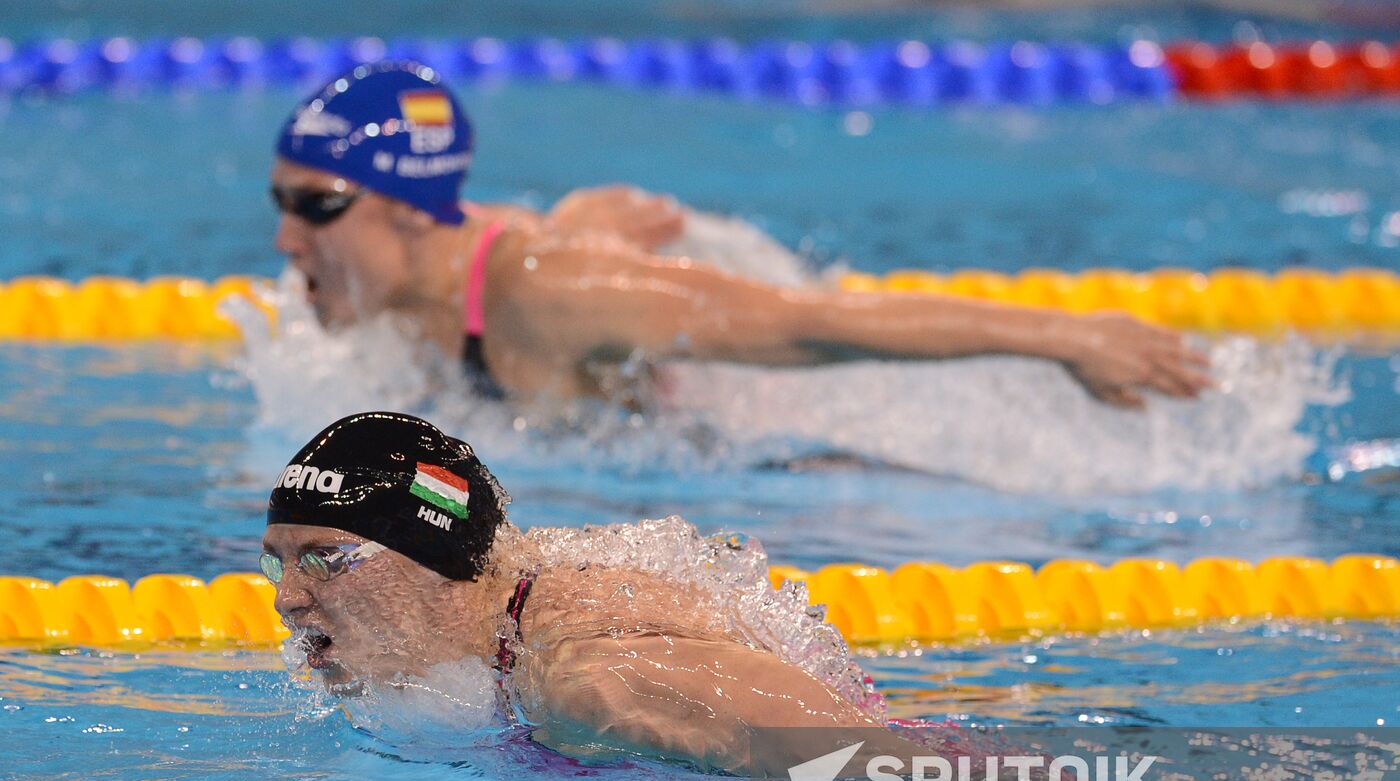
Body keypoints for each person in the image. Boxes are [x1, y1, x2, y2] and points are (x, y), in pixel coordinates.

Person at [270, 60, 1212, 408]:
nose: (286, 239)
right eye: (281, 202)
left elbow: (816, 324)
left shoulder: (553, 290)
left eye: (317, 206)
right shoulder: (405, 280)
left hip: (781, 443)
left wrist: (1069, 336)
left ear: (411, 206)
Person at [262, 411, 895, 772]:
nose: (287, 598)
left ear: (433, 560)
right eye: (277, 564)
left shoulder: (595, 675)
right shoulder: (490, 639)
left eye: (323, 560)